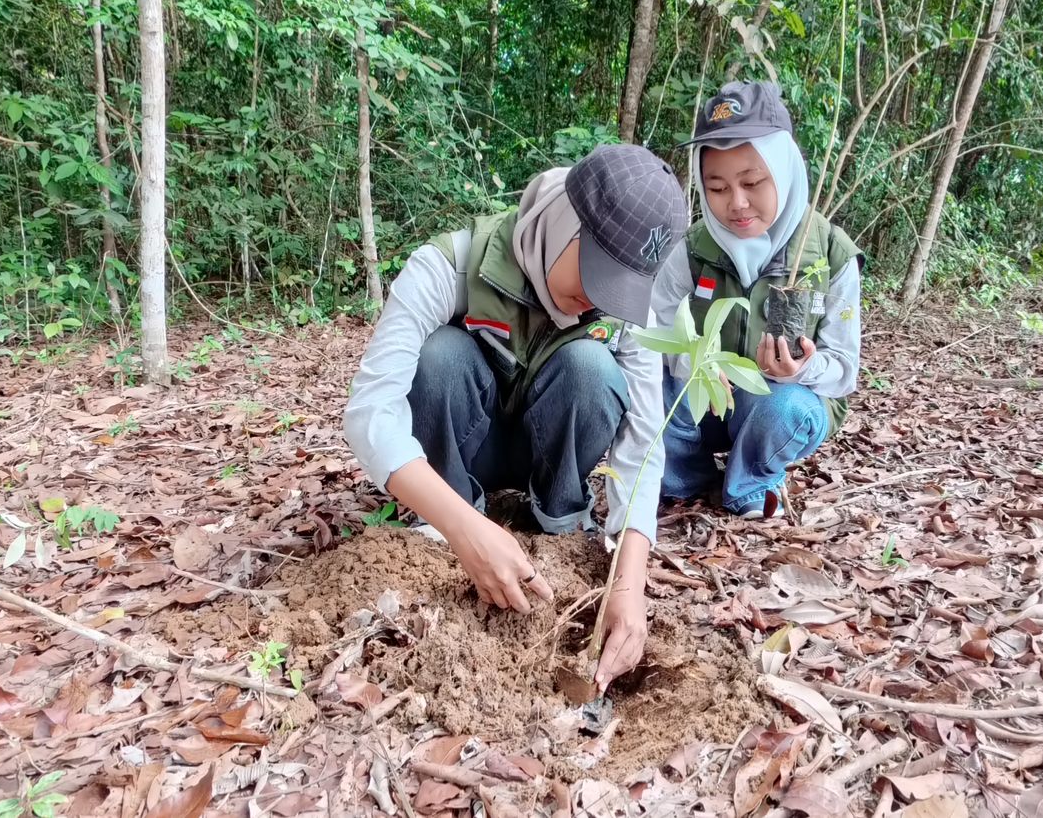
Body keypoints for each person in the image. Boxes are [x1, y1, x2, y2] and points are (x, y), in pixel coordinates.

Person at [343, 144, 688, 692]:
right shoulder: (451, 264)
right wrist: (464, 527)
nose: (596, 303)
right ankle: (440, 523)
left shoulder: (623, 313)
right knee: (440, 359)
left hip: (548, 451)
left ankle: (556, 522)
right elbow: (368, 413)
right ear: (565, 222)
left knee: (590, 368)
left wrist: (628, 586)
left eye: (619, 291)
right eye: (595, 277)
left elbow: (643, 441)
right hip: (460, 452)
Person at [652, 81, 861, 518]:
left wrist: (803, 370)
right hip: (703, 402)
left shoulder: (831, 253)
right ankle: (686, 481)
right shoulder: (691, 248)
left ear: (783, 170)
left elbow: (843, 372)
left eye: (752, 182)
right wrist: (696, 364)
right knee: (647, 384)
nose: (737, 203)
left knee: (783, 408)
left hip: (776, 401)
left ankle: (751, 482)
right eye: (717, 187)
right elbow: (654, 328)